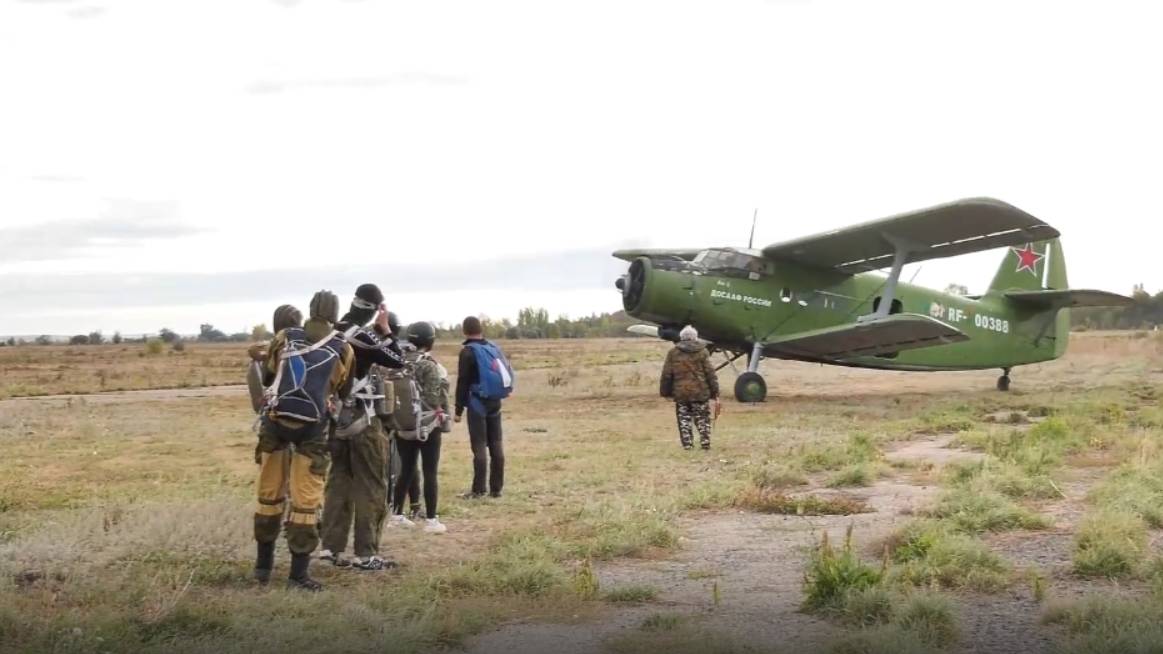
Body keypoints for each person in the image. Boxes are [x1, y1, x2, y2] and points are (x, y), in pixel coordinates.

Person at [253, 290, 353, 591]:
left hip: (275, 423)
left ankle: (262, 568)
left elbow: (270, 376)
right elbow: (343, 391)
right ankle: (298, 575)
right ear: (335, 313)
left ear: (309, 310)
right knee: (305, 500)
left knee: (268, 494)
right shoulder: (342, 347)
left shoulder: (285, 337)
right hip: (313, 428)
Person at [318, 284, 407, 571]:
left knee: (338, 484)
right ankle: (366, 554)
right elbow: (397, 360)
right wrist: (387, 330)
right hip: (363, 421)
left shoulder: (331, 332)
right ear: (376, 309)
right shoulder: (362, 335)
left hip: (334, 420)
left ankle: (329, 549)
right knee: (371, 484)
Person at [389, 321, 451, 533]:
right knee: (430, 471)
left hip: (402, 425)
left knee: (406, 468)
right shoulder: (428, 364)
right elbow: (434, 399)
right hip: (426, 426)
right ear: (430, 341)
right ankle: (432, 520)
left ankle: (397, 514)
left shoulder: (397, 361)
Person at [454, 316, 514, 498]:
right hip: (495, 401)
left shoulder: (467, 352)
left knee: (479, 446)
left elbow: (462, 382)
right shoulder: (492, 348)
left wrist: (458, 409)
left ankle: (479, 490)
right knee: (496, 444)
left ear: (465, 331)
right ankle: (496, 489)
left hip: (477, 402)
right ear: (481, 329)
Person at [660, 325, 720, 450]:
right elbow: (710, 373)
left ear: (681, 337)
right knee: (703, 418)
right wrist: (715, 392)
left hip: (681, 393)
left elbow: (667, 374)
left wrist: (665, 392)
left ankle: (688, 445)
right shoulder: (703, 352)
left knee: (684, 420)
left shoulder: (673, 353)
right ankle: (705, 442)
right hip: (701, 392)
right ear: (695, 337)